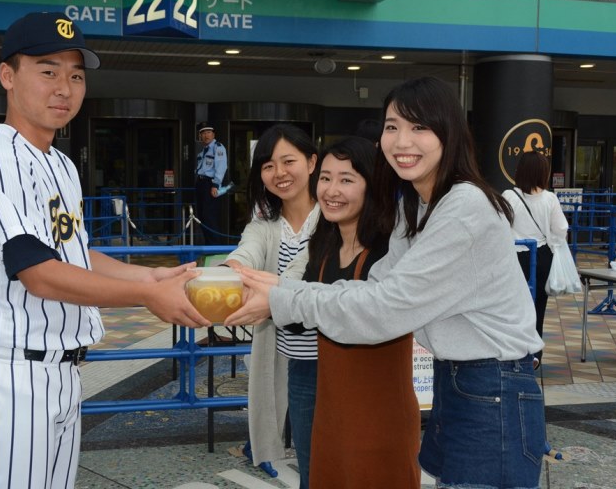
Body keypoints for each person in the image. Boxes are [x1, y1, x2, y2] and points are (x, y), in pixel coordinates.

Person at [226, 76, 546, 489]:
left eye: (419, 127)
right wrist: (281, 293)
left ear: (448, 133)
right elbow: (374, 287)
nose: (401, 141)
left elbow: (385, 308)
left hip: (493, 384)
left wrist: (281, 298)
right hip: (464, 381)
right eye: (392, 127)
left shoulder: (464, 206)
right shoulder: (418, 207)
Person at [0, 11, 210, 489]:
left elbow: (74, 254)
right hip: (9, 376)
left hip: (61, 374)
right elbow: (38, 272)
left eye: (76, 75)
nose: (64, 87)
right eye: (48, 71)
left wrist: (150, 277)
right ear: (8, 75)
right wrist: (146, 299)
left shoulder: (61, 163)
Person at [305, 136, 420, 488]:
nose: (331, 190)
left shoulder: (390, 248)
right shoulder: (323, 243)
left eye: (346, 179)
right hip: (331, 414)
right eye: (325, 178)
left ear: (372, 186)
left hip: (381, 417)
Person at [221, 123, 319, 488]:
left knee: (337, 453)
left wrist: (269, 293)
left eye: (288, 161)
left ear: (312, 162)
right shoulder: (265, 221)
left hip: (336, 355)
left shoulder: (332, 214)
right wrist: (229, 272)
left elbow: (302, 268)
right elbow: (247, 250)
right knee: (311, 460)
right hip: (293, 356)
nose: (279, 173)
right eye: (267, 165)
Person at [503, 151, 568, 370]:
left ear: (519, 171)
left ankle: (511, 352)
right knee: (537, 307)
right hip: (541, 257)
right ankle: (534, 354)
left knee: (511, 307)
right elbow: (561, 229)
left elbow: (500, 226)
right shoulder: (549, 198)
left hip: (514, 257)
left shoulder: (509, 196)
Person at [195, 121, 228, 245]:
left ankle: (214, 247)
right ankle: (209, 245)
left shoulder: (218, 147)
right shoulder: (203, 151)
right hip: (201, 184)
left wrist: (215, 185)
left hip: (210, 184)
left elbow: (221, 167)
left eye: (208, 132)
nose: (206, 135)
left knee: (210, 217)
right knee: (202, 217)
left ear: (213, 134)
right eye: (203, 133)